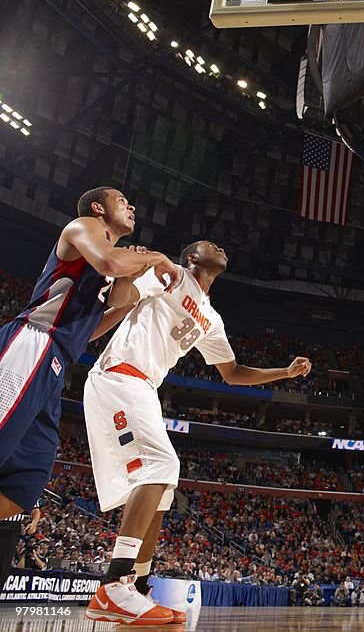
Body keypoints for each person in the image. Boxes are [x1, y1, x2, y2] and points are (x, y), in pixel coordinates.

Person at [83, 240, 312, 625]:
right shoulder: (172, 274)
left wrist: (284, 373)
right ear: (192, 257)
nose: (221, 247)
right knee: (161, 464)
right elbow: (122, 299)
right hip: (119, 375)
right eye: (211, 244)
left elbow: (232, 373)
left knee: (164, 487)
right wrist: (132, 269)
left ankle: (137, 588)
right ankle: (113, 584)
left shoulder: (211, 318)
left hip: (145, 387)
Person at [0, 187, 180, 538]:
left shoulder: (111, 258)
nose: (131, 205)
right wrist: (155, 258)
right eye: (121, 199)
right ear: (99, 207)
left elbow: (95, 323)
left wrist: (134, 290)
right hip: (33, 341)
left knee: (27, 481)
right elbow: (110, 263)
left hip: (57, 360)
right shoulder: (84, 226)